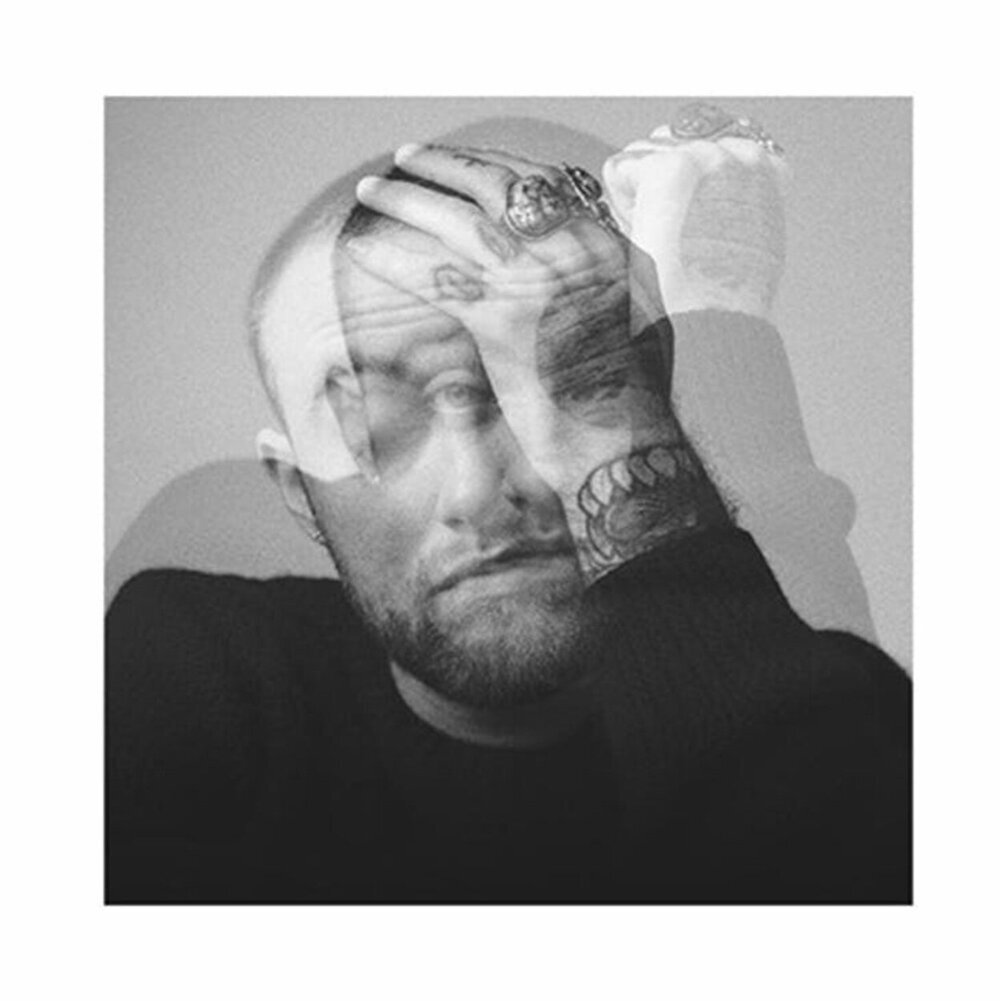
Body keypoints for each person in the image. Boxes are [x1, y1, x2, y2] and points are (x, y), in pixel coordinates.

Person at [106, 106, 911, 903]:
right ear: (298, 493)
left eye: (560, 382)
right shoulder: (194, 678)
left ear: (651, 404)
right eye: (377, 428)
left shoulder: (822, 696)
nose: (475, 493)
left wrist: (692, 342)